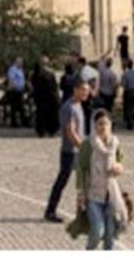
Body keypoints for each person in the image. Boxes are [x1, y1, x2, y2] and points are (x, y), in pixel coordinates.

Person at [73, 109, 126, 250]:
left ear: (110, 125)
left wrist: (118, 168)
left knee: (110, 238)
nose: (103, 127)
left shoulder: (115, 143)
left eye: (106, 123)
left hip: (111, 196)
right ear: (94, 125)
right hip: (93, 196)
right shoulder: (87, 144)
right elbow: (81, 168)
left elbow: (121, 163)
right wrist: (80, 192)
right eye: (100, 124)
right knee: (97, 231)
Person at [43, 78, 89, 223]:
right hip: (70, 152)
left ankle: (84, 212)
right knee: (62, 181)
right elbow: (70, 132)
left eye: (87, 90)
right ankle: (50, 211)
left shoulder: (79, 105)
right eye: (83, 90)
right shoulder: (69, 108)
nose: (86, 93)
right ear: (76, 90)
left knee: (85, 182)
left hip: (78, 151)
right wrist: (83, 148)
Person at [32, 57, 61, 137]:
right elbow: (53, 87)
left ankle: (47, 131)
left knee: (47, 114)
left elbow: (54, 86)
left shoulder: (45, 73)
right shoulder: (40, 73)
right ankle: (45, 131)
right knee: (44, 115)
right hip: (44, 97)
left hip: (46, 97)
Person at [6, 56, 27, 127]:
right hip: (14, 91)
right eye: (20, 62)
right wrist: (12, 88)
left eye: (22, 62)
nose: (22, 63)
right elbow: (11, 80)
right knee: (15, 107)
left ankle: (23, 121)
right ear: (16, 62)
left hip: (20, 91)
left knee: (21, 107)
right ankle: (14, 123)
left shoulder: (20, 69)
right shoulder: (13, 69)